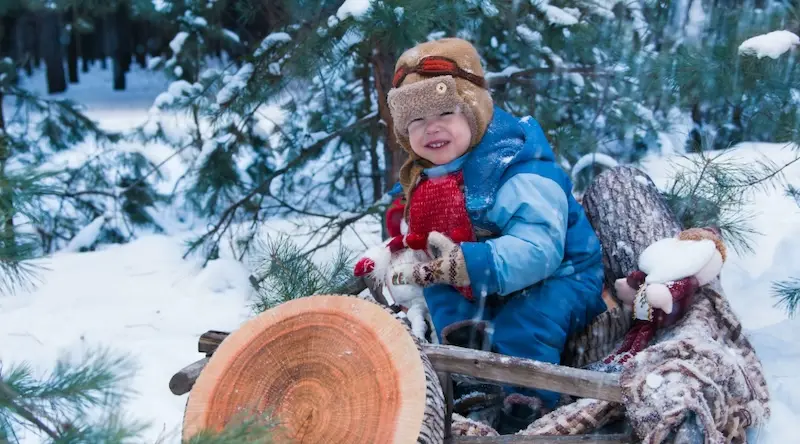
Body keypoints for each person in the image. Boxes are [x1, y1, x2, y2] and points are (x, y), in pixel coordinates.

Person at [371, 37, 607, 431]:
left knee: (527, 319)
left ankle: (525, 402)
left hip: (561, 273)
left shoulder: (517, 170)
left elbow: (540, 250)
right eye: (416, 120)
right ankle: (469, 369)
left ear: (475, 111)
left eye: (445, 112)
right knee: (440, 289)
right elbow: (423, 234)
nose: (431, 128)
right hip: (477, 274)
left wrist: (472, 263)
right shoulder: (429, 176)